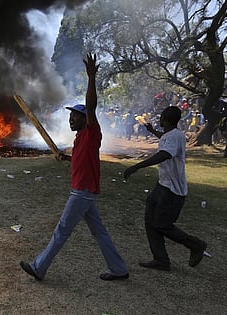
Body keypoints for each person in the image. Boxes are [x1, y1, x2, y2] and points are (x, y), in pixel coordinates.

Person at [19, 53, 129, 282]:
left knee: (62, 230)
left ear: (85, 119)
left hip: (82, 191)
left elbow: (91, 106)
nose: (71, 120)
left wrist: (91, 78)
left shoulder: (91, 131)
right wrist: (66, 159)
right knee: (99, 232)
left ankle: (39, 267)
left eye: (75, 117)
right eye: (69, 117)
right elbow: (82, 159)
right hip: (85, 191)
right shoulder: (80, 139)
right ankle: (119, 269)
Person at [123, 106, 207, 271]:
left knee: (162, 224)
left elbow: (165, 154)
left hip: (172, 190)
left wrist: (137, 166)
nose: (160, 120)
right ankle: (161, 259)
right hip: (163, 185)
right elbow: (164, 139)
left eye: (161, 118)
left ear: (165, 119)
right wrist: (152, 131)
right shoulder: (173, 135)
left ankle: (196, 245)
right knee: (150, 221)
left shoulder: (174, 137)